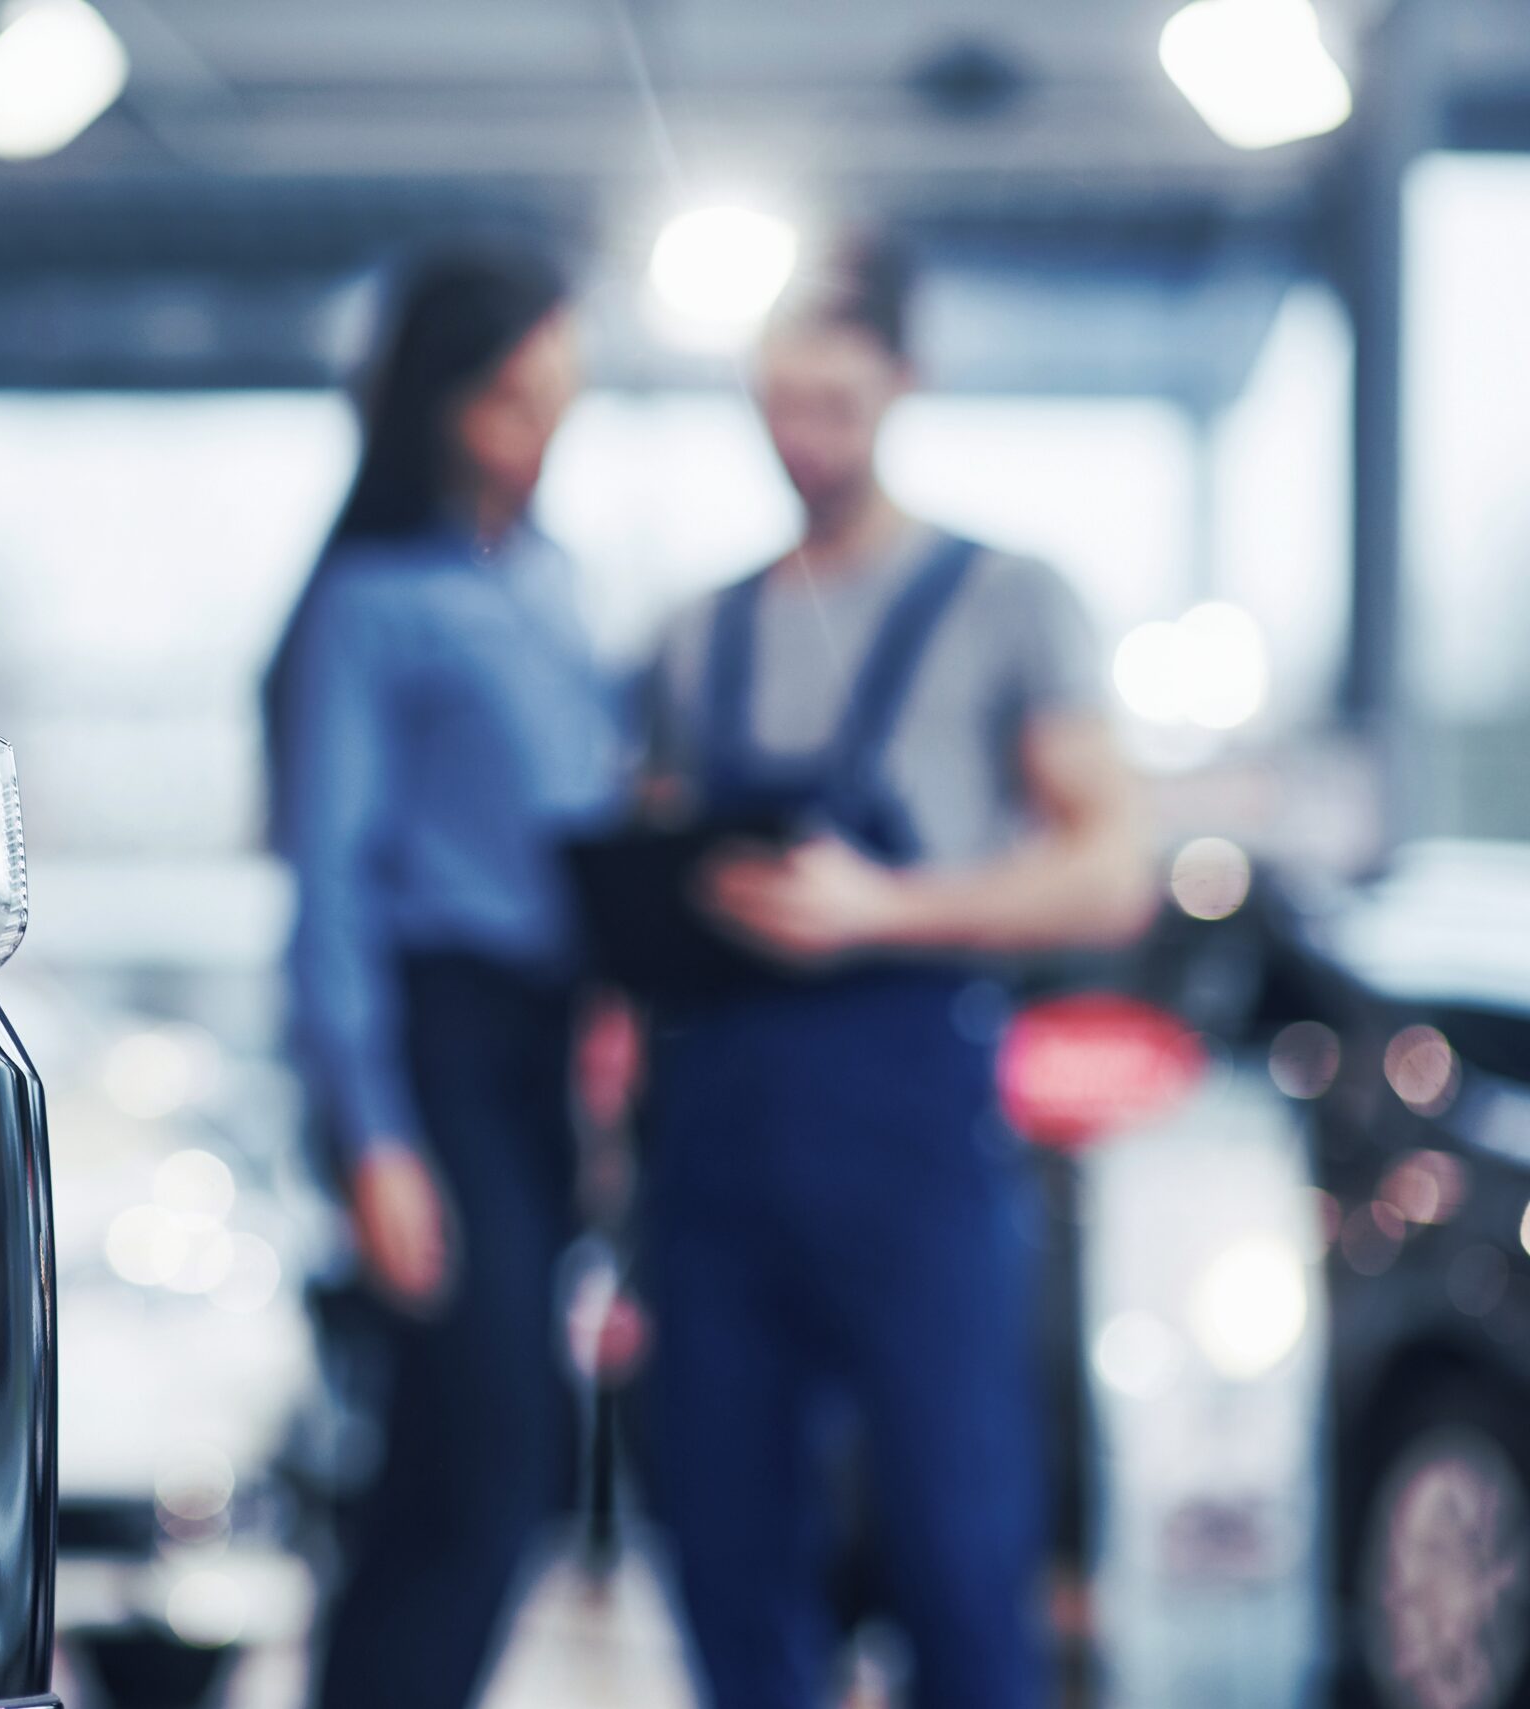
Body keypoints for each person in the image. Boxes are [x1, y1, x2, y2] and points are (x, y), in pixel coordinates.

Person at [629, 236, 1156, 1709]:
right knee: (725, 1546)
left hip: (910, 1124)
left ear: (904, 383)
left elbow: (1111, 868)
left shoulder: (1007, 601)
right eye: (779, 403)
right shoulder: (695, 637)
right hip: (717, 1134)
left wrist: (884, 910)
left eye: (836, 404)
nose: (804, 437)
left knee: (957, 1544)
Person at [265, 250, 616, 1709]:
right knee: (488, 1463)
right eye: (512, 401)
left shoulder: (550, 586)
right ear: (440, 402)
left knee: (453, 1473)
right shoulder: (368, 605)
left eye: (559, 400)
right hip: (437, 1042)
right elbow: (329, 884)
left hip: (541, 1052)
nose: (541, 433)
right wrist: (376, 1136)